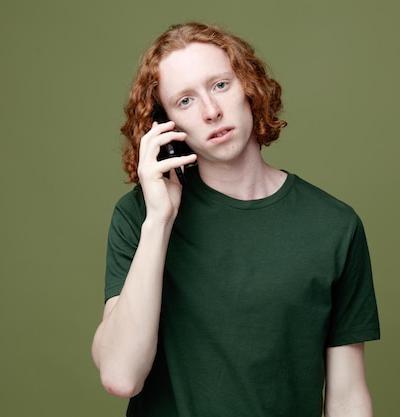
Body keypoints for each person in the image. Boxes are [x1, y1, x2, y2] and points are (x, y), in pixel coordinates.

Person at [92, 22, 380, 417]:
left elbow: (347, 397)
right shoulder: (141, 215)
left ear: (250, 88)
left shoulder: (333, 226)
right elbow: (121, 376)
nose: (211, 112)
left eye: (220, 85)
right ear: (165, 124)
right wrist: (159, 221)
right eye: (185, 101)